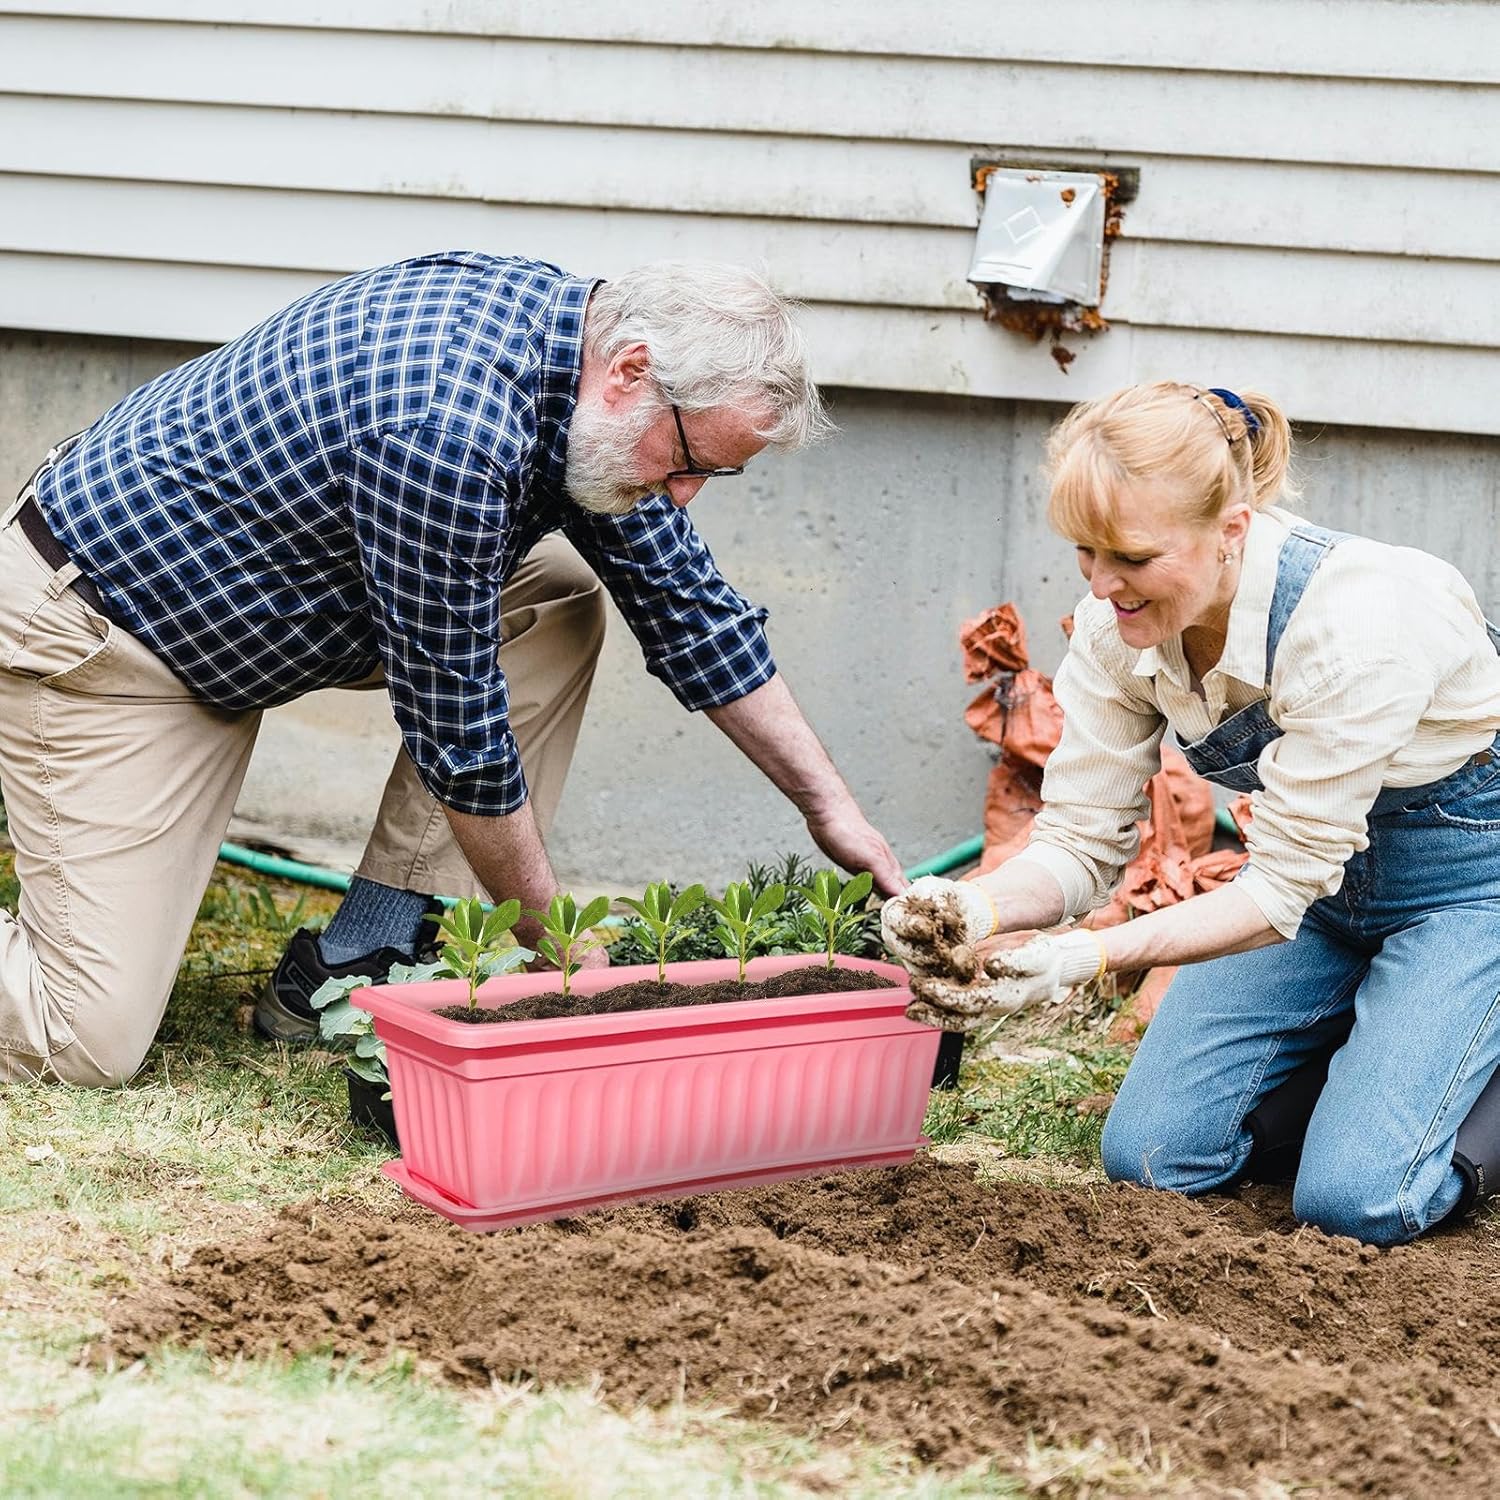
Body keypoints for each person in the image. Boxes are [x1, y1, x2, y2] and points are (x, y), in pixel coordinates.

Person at [0, 251, 903, 1087]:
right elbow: (461, 738)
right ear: (632, 372)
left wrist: (831, 810)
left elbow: (690, 610)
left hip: (257, 612)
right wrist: (562, 951)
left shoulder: (583, 373)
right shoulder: (447, 423)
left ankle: (366, 951)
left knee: (555, 599)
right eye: (691, 461)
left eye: (715, 474)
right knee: (80, 1040)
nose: (686, 494)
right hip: (111, 639)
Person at [882, 381, 1500, 1246]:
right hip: (1322, 892)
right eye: (1085, 552)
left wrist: (1083, 956)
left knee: (1357, 1201)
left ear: (1231, 530)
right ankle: (1381, 1061)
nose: (1103, 585)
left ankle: (1429, 1069)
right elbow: (1079, 839)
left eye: (1132, 557)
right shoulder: (1117, 628)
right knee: (1152, 1156)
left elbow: (1273, 895)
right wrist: (972, 908)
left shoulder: (1358, 625)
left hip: (1470, 887)